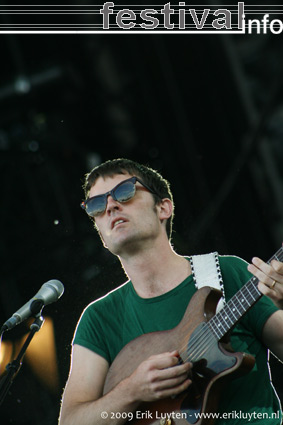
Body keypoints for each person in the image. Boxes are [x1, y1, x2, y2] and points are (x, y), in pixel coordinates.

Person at [59, 158, 283, 425]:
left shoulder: (228, 271)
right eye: (96, 205)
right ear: (102, 237)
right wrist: (132, 391)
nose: (110, 205)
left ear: (164, 207)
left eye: (124, 191)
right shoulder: (98, 318)